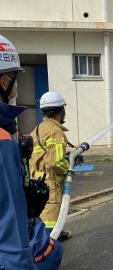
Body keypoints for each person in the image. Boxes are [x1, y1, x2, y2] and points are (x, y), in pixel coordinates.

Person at [0, 34, 46, 270]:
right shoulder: (2, 141)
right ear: (4, 81)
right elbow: (8, 223)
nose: (17, 87)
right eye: (15, 79)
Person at [29, 91, 72, 241]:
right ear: (61, 111)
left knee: (42, 214)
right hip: (50, 182)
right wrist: (69, 168)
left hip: (36, 180)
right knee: (50, 216)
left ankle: (56, 232)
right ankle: (47, 249)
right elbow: (57, 162)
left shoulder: (37, 130)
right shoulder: (56, 132)